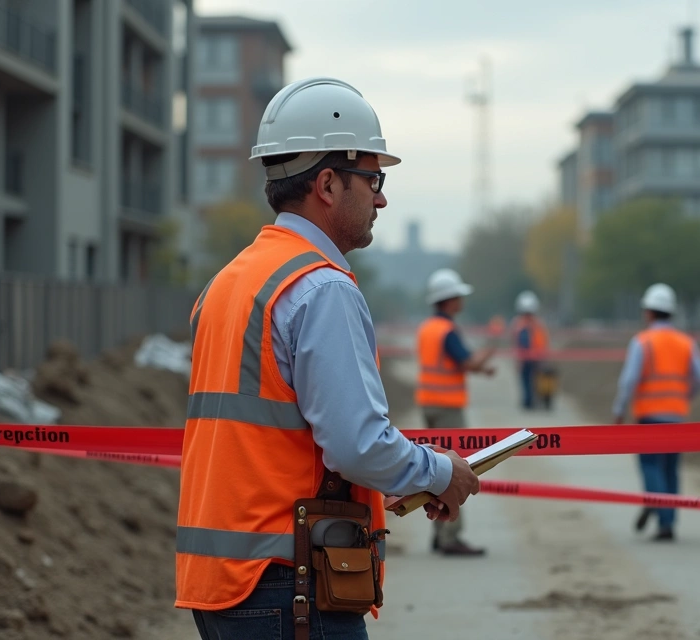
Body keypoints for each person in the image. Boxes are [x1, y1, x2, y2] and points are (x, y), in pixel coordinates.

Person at [176, 77, 480, 640]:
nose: (382, 197)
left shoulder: (230, 282)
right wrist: (440, 472)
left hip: (224, 583)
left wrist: (393, 473)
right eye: (373, 178)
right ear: (327, 183)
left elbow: (281, 439)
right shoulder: (321, 288)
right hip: (289, 589)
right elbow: (355, 443)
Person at [611, 283, 700, 542]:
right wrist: (684, 397)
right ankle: (668, 521)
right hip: (676, 415)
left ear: (649, 312)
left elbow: (629, 380)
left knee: (650, 464)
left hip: (650, 415)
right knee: (671, 468)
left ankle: (656, 501)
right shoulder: (686, 342)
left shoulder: (642, 341)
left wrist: (619, 409)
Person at [415, 267, 495, 557]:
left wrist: (480, 366)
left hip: (428, 404)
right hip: (448, 407)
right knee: (456, 471)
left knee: (435, 470)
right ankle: (450, 534)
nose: (462, 300)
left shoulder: (427, 328)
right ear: (449, 300)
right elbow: (466, 362)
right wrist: (490, 351)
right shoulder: (447, 330)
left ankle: (439, 533)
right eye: (458, 295)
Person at [510, 290, 549, 410]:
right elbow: (516, 341)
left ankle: (534, 400)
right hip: (525, 358)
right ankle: (528, 400)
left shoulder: (536, 324)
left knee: (534, 380)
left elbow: (542, 340)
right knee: (526, 379)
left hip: (536, 357)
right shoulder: (520, 323)